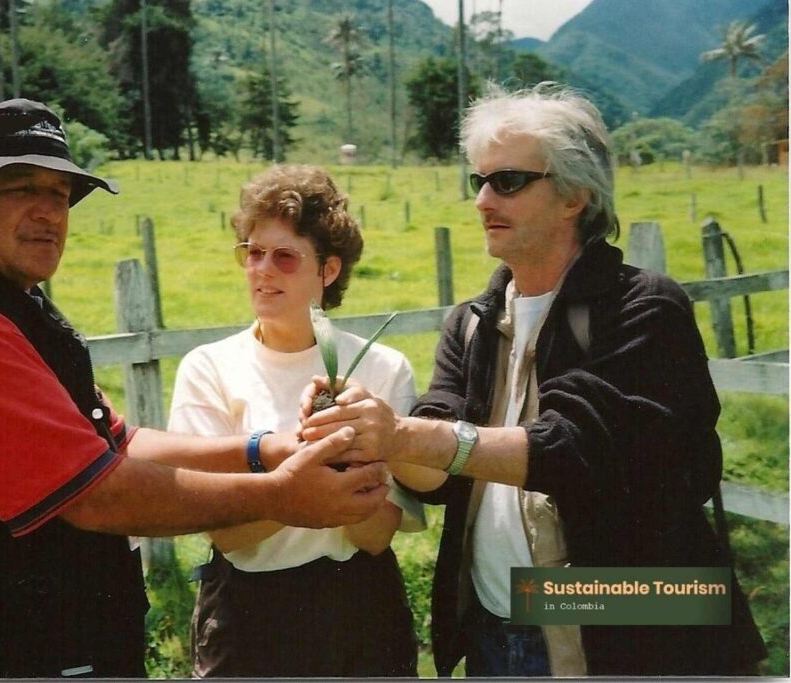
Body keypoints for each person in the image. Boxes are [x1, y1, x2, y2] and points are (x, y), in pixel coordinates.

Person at [0, 99, 391, 679]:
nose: (48, 212)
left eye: (60, 194)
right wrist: (281, 495)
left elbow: (115, 444)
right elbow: (98, 494)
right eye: (19, 189)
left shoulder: (6, 304)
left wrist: (263, 450)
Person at [299, 84, 767, 676]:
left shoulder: (643, 308)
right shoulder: (471, 322)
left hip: (636, 632)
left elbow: (577, 448)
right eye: (479, 181)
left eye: (508, 181)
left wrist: (404, 437)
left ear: (574, 194)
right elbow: (436, 476)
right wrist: (365, 433)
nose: (483, 200)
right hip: (499, 628)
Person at [168, 164, 422, 677]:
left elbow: (375, 536)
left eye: (284, 257)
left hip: (359, 606)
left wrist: (276, 488)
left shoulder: (380, 369)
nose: (262, 270)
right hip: (247, 613)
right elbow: (226, 534)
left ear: (328, 270)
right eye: (252, 252)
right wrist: (331, 466)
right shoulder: (209, 367)